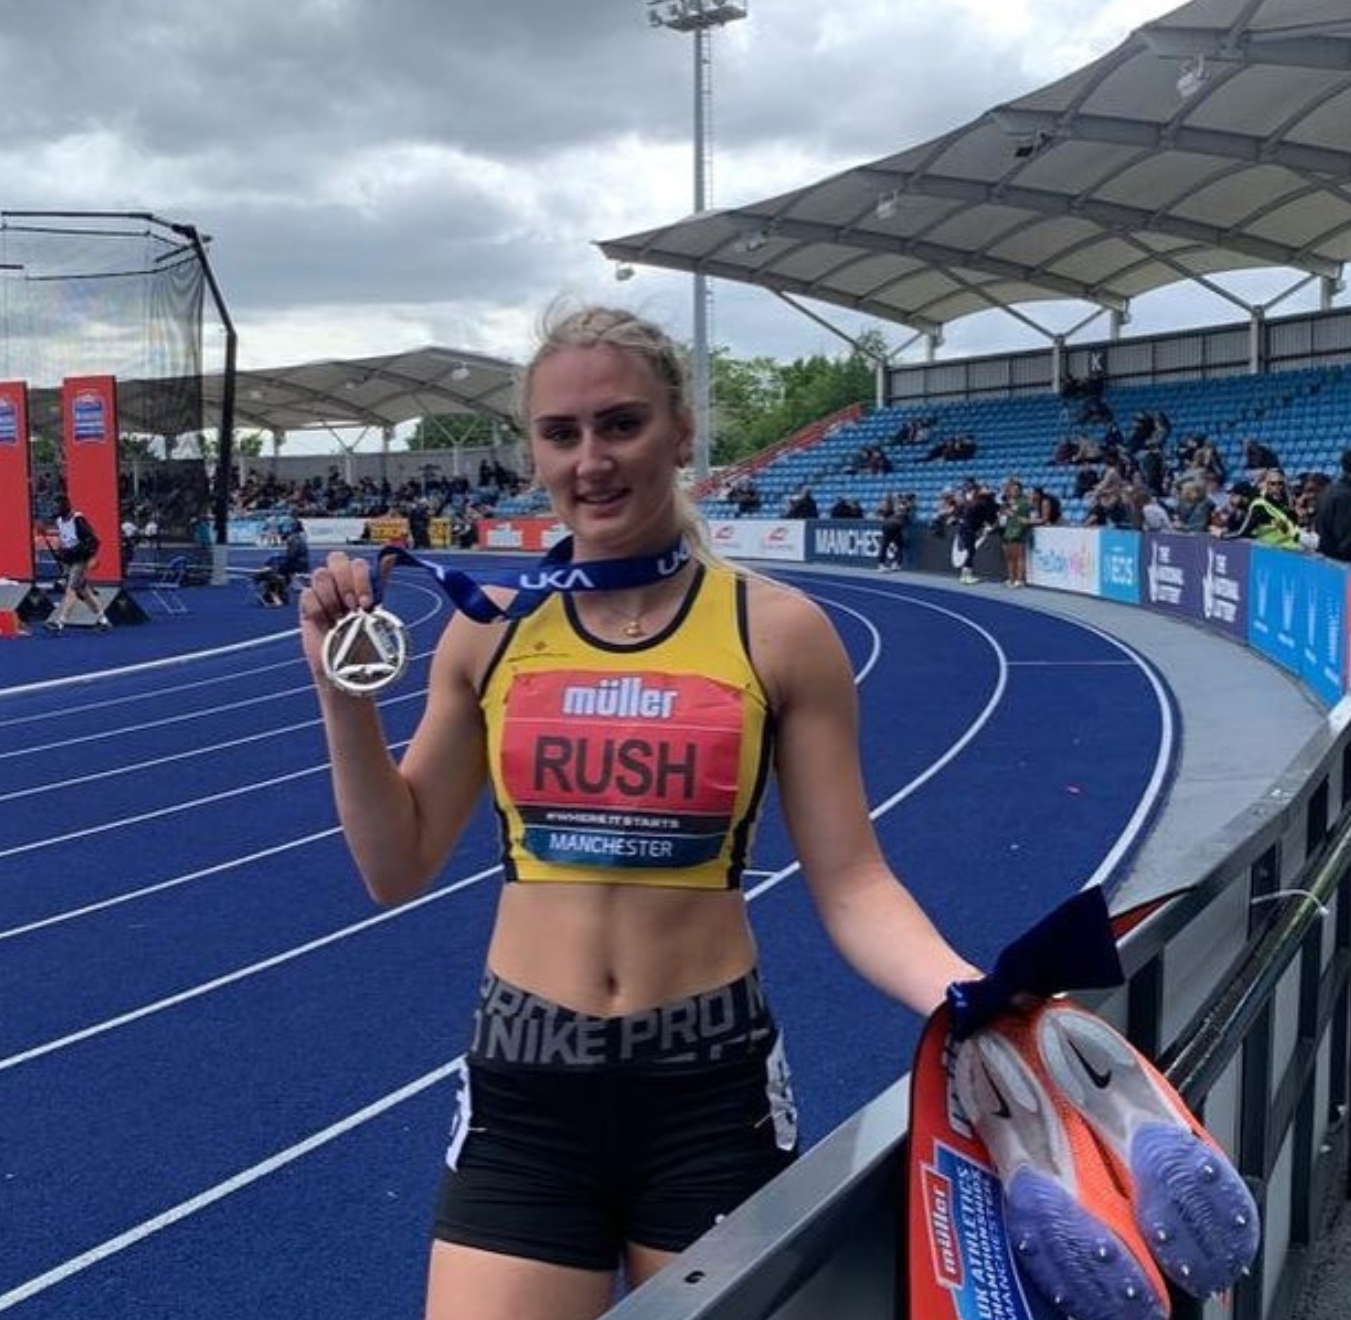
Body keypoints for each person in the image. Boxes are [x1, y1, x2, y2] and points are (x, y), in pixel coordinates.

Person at [297, 307, 980, 1320]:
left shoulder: (777, 631)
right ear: (532, 448)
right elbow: (395, 865)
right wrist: (343, 700)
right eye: (561, 434)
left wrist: (969, 997)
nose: (591, 460)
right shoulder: (490, 635)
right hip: (525, 1096)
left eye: (621, 425)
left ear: (681, 431)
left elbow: (853, 880)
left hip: (708, 1093)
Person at [48, 495, 111, 631]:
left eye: (57, 506)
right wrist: (61, 551)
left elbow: (93, 540)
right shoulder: (59, 521)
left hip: (81, 559)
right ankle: (103, 620)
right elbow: (65, 539)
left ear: (64, 506)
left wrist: (92, 557)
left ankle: (60, 622)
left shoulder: (78, 519)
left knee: (71, 589)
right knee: (85, 592)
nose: (55, 509)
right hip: (70, 559)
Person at [255, 517, 311, 606]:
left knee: (273, 569)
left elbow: (291, 556)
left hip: (298, 564)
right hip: (300, 563)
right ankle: (279, 591)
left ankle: (273, 593)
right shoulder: (297, 538)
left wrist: (276, 561)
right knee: (276, 564)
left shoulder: (293, 539)